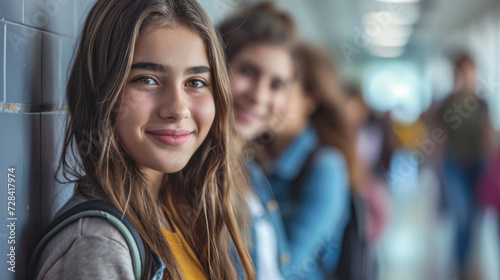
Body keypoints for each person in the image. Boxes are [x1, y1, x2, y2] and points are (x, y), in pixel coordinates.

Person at [32, 0, 254, 279]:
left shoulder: (179, 208)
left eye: (195, 82)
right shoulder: (98, 243)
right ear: (102, 90)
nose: (177, 109)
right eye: (146, 79)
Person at [253, 43, 353, 279]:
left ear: (310, 100)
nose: (265, 97)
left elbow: (290, 265)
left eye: (279, 86)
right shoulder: (255, 160)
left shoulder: (326, 166)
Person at [218, 2, 298, 279]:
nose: (259, 96)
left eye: (276, 85)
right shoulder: (195, 173)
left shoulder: (250, 168)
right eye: (247, 72)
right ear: (216, 65)